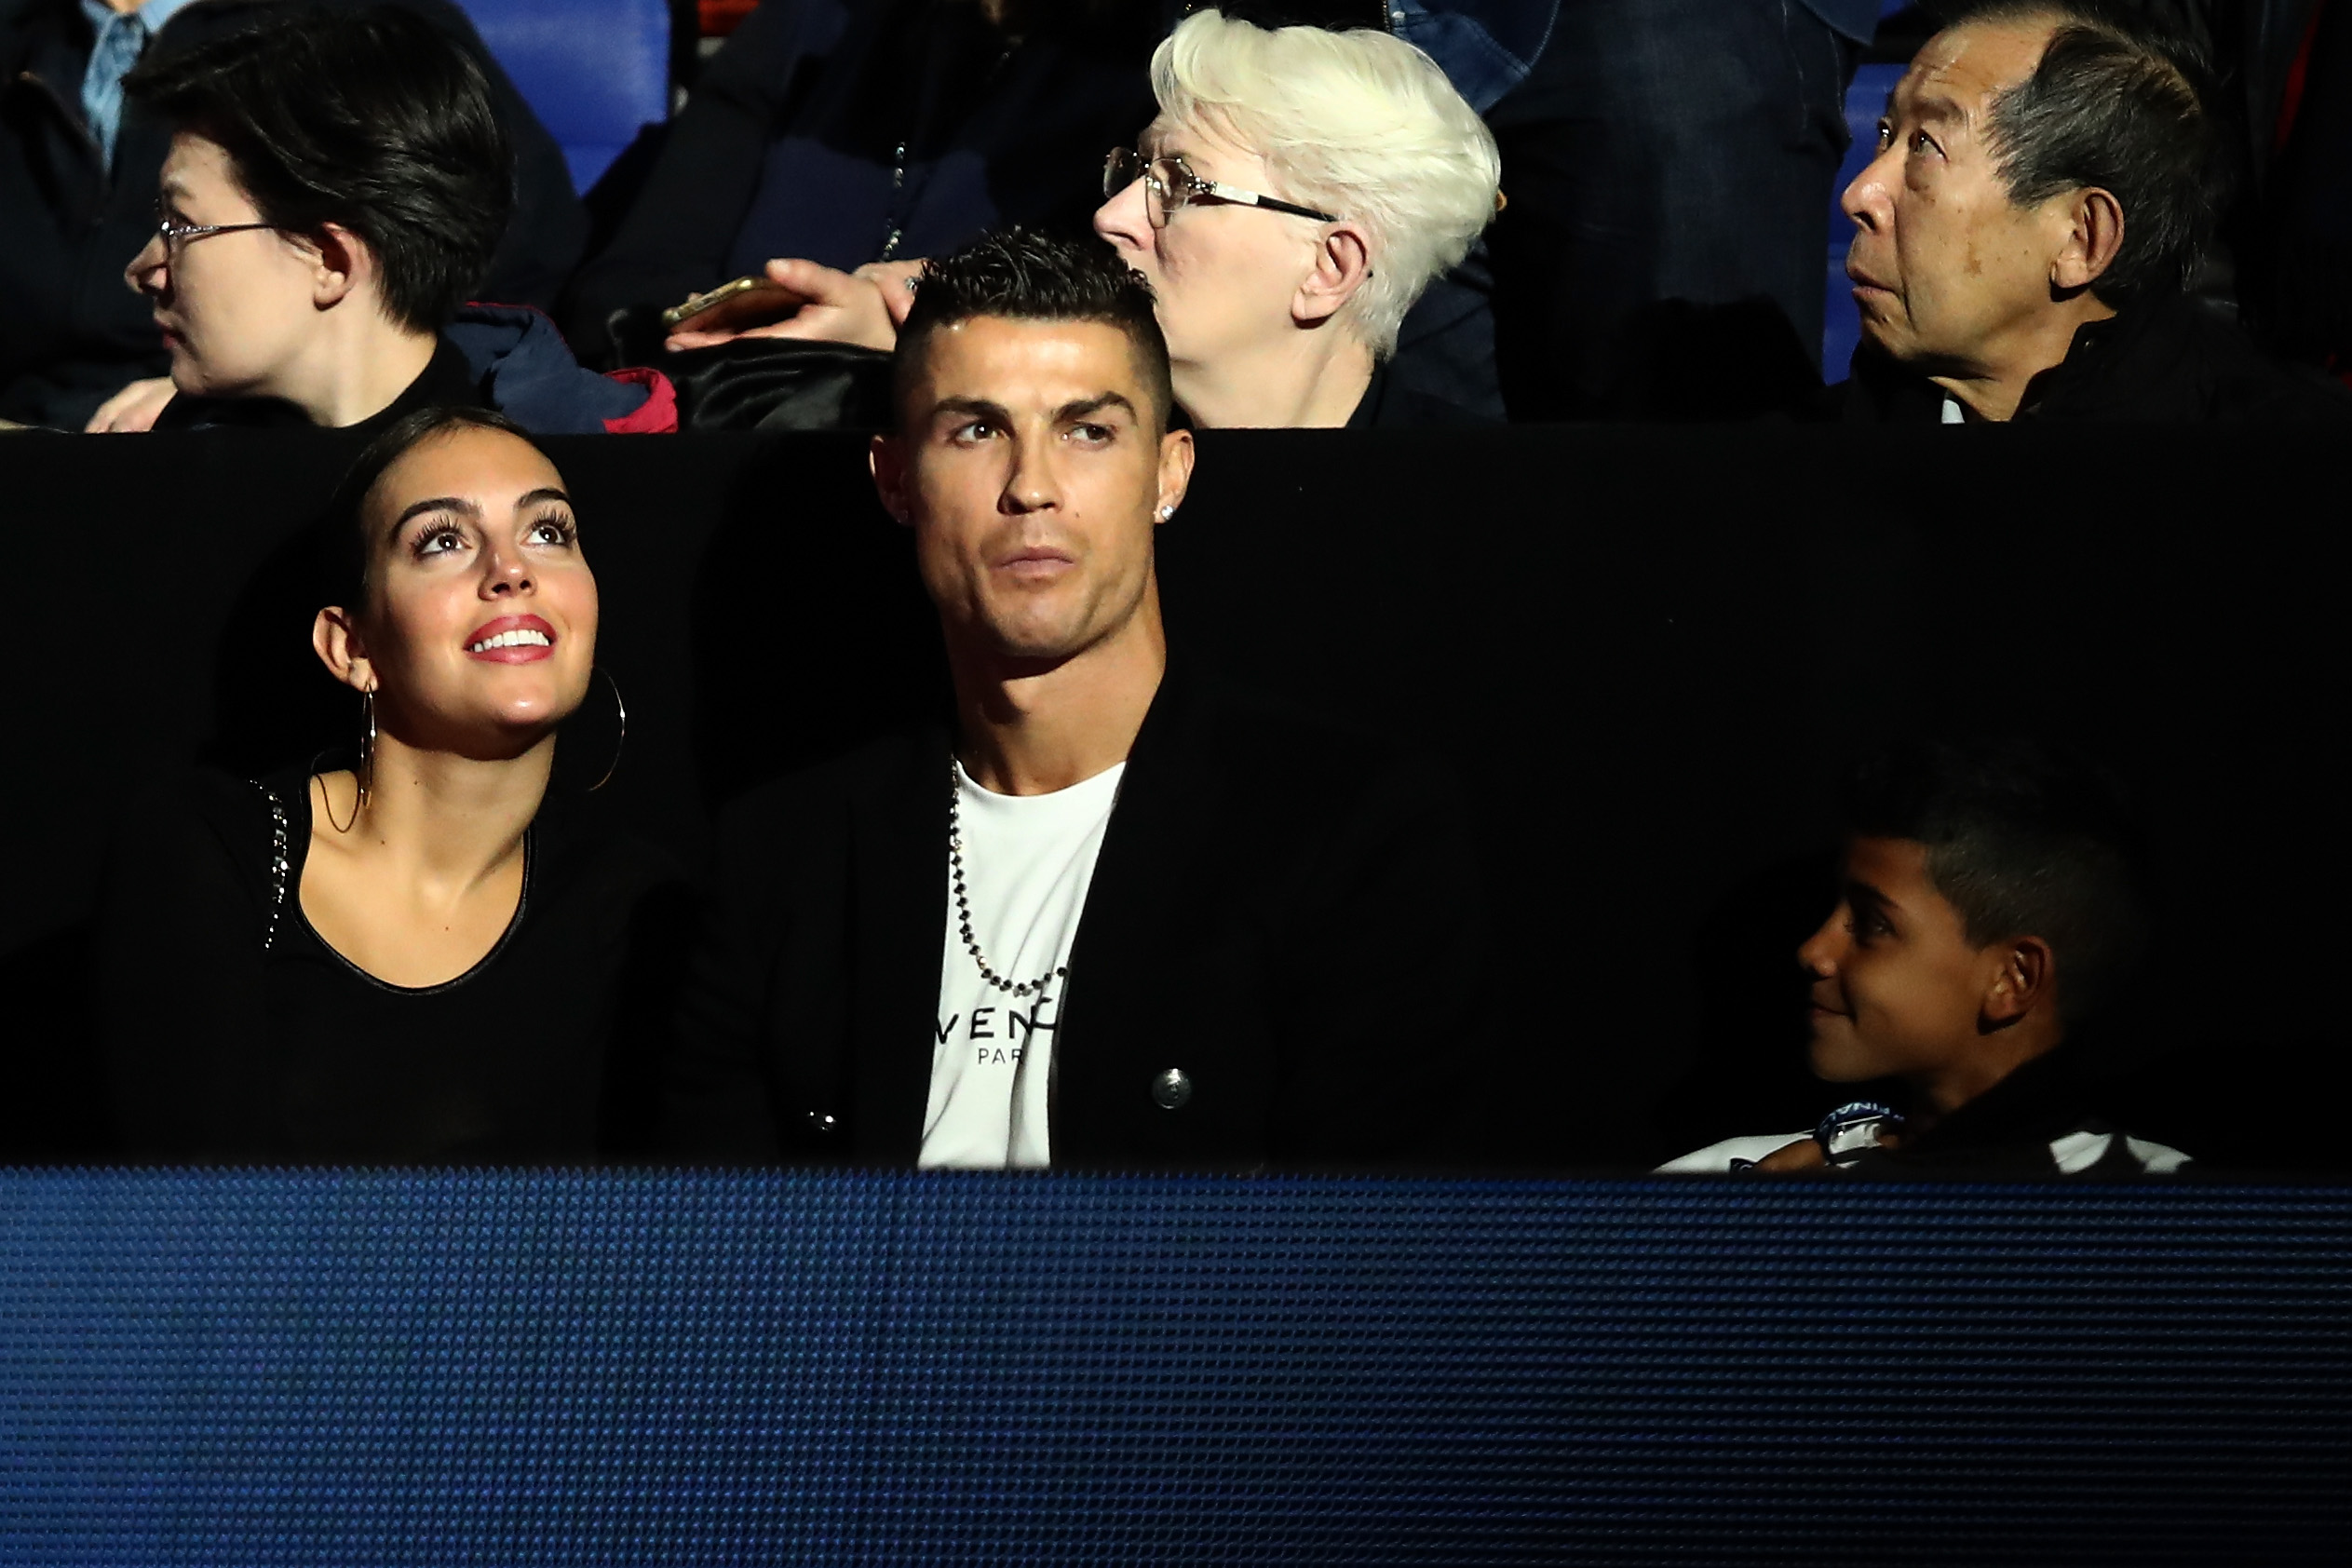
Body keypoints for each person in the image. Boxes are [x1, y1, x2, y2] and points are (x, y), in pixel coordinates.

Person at [662, 228, 1487, 1169]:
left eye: (1087, 430)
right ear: (897, 480)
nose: (1032, 488)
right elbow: (717, 1264)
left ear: (1170, 472)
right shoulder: (789, 856)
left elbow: (1366, 1267)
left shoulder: (1346, 832)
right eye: (977, 430)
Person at [95, 407, 688, 1160]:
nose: (512, 569)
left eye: (549, 532)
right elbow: (187, 1236)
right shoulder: (209, 853)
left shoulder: (640, 910)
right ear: (352, 647)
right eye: (442, 540)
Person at [0, 0, 586, 434]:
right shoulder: (26, 34)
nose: (142, 269)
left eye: (178, 225)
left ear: (331, 259)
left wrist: (230, 398)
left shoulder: (356, 34)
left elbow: (495, 231)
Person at [1660, 737, 2189, 1178]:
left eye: (1872, 924)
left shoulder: (2177, 1223)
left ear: (2013, 978)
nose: (1814, 951)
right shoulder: (1735, 1183)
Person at [562, 0, 1163, 369]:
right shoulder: (816, 25)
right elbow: (625, 288)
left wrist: (907, 341)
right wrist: (740, 348)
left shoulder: (1168, 78)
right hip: (723, 434)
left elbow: (1143, 333)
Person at [1832, 0, 2352, 422]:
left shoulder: (2287, 490)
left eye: (1927, 144)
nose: (1859, 195)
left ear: (2082, 238)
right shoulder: (1800, 473)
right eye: (1885, 135)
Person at [1091, 6, 1501, 426]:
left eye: (1179, 185)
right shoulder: (1063, 476)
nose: (1110, 216)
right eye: (1136, 171)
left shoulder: (1484, 487)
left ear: (1330, 269)